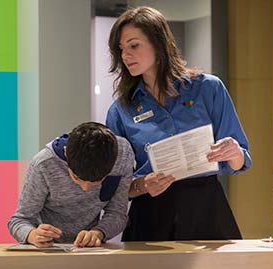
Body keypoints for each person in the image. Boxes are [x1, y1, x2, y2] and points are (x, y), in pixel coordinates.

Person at [106, 7, 252, 241]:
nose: (125, 56)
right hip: (150, 214)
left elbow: (241, 161)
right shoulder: (121, 109)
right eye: (121, 49)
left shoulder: (208, 88)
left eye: (134, 46)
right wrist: (143, 184)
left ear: (159, 43)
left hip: (206, 208)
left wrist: (233, 152)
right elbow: (112, 185)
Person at [8, 122, 134, 247]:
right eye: (77, 178)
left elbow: (117, 213)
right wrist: (33, 234)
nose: (85, 188)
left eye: (97, 182)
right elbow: (19, 221)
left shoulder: (122, 153)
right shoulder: (44, 164)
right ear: (66, 152)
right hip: (48, 250)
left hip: (90, 251)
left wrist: (98, 233)